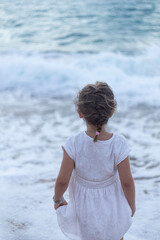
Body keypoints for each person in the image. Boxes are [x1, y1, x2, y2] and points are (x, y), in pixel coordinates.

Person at [53, 81, 136, 240]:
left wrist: (58, 199)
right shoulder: (119, 143)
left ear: (80, 112)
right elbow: (127, 182)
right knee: (117, 234)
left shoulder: (73, 143)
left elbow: (62, 180)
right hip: (113, 203)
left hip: (85, 207)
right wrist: (131, 205)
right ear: (111, 112)